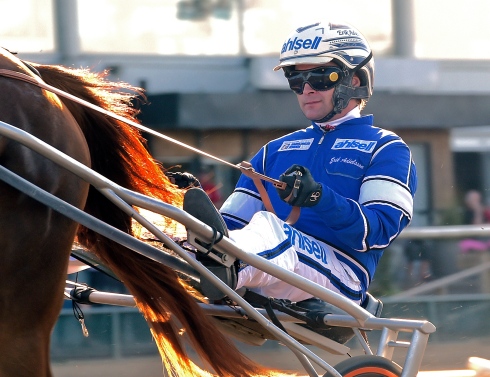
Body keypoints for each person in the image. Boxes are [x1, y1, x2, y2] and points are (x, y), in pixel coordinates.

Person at [186, 20, 417, 309]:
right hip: (273, 267)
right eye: (296, 80)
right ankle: (169, 258)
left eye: (321, 78)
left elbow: (377, 233)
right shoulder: (275, 150)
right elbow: (231, 224)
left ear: (354, 80)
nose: (306, 89)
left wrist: (319, 197)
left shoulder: (387, 148)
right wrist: (183, 212)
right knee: (199, 234)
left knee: (272, 230)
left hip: (343, 277)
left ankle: (220, 268)